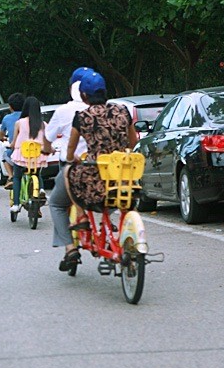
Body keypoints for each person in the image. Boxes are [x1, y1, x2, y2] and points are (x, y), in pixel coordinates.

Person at [61, 71, 138, 270]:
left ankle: (82, 215)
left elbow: (70, 149)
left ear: (84, 96)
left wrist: (72, 159)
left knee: (69, 171)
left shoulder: (82, 117)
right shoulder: (123, 111)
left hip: (97, 183)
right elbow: (133, 141)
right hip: (124, 180)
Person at [43, 68, 92, 270]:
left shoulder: (65, 112)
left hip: (73, 168)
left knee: (56, 204)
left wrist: (46, 150)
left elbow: (48, 138)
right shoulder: (106, 110)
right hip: (105, 170)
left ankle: (70, 249)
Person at [8, 96, 48, 214]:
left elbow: (14, 142)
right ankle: (41, 188)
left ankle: (16, 204)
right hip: (37, 155)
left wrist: (11, 145)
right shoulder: (43, 124)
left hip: (22, 155)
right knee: (36, 172)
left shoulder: (19, 123)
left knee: (17, 177)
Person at [0, 93, 24, 189]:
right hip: (32, 149)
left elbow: (1, 135)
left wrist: (2, 138)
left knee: (5, 155)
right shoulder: (29, 117)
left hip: (16, 150)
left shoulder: (6, 118)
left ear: (10, 106)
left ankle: (10, 176)